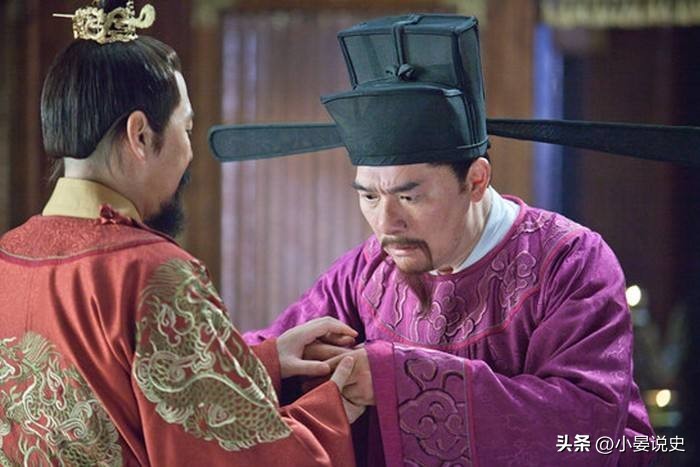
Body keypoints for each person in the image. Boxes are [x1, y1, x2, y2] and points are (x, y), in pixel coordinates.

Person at [240, 14, 656, 466]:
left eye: (409, 196)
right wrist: (272, 359)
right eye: (369, 196)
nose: (386, 223)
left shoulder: (568, 262)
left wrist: (398, 381)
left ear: (476, 180)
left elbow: (589, 426)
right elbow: (259, 360)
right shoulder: (365, 274)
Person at [0, 1, 362, 465]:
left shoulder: (9, 256)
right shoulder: (152, 273)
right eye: (186, 128)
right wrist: (331, 409)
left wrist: (265, 361)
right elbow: (233, 457)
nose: (189, 152)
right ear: (140, 135)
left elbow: (122, 392)